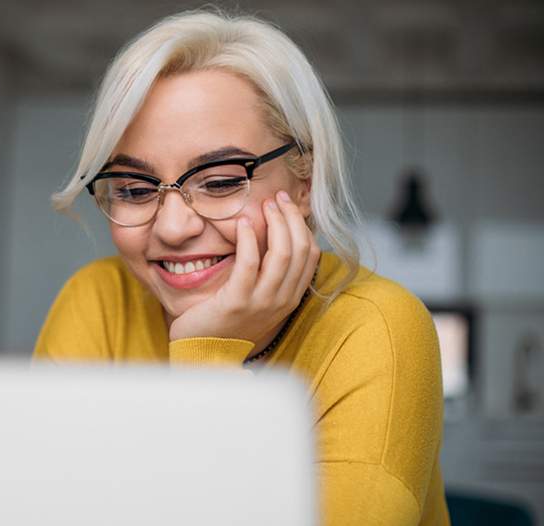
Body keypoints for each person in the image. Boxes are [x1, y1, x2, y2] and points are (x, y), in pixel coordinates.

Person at [33, 9, 449, 526]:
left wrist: (205, 355)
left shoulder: (379, 326)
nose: (173, 227)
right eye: (136, 190)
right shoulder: (98, 300)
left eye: (221, 181)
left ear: (304, 182)